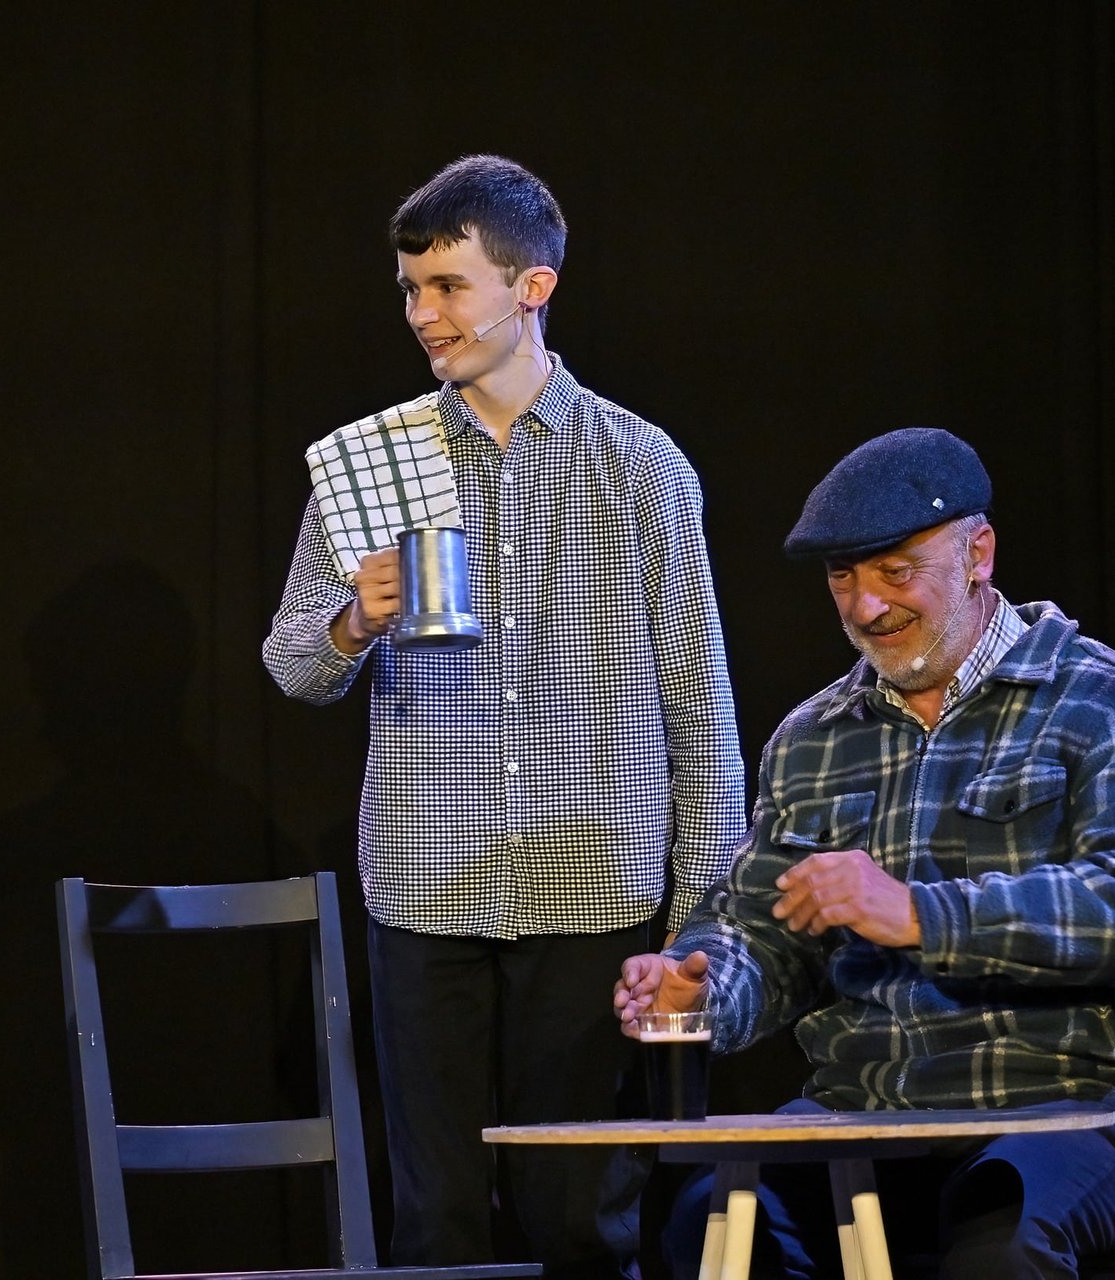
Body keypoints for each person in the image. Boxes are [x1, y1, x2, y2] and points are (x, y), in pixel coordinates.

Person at [263, 154, 745, 1280]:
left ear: (532, 288)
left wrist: (701, 917)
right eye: (410, 289)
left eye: (448, 286)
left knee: (579, 1222)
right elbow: (292, 665)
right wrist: (355, 619)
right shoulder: (373, 461)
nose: (423, 314)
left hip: (593, 887)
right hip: (428, 885)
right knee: (437, 1227)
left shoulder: (640, 467)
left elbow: (699, 704)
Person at [613, 427, 1115, 1279]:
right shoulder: (814, 738)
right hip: (863, 1117)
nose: (865, 608)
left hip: (1073, 1109)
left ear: (978, 554)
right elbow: (759, 932)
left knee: (1000, 1241)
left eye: (895, 572)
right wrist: (701, 986)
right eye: (842, 577)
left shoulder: (1111, 703)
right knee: (710, 1219)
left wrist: (919, 914)